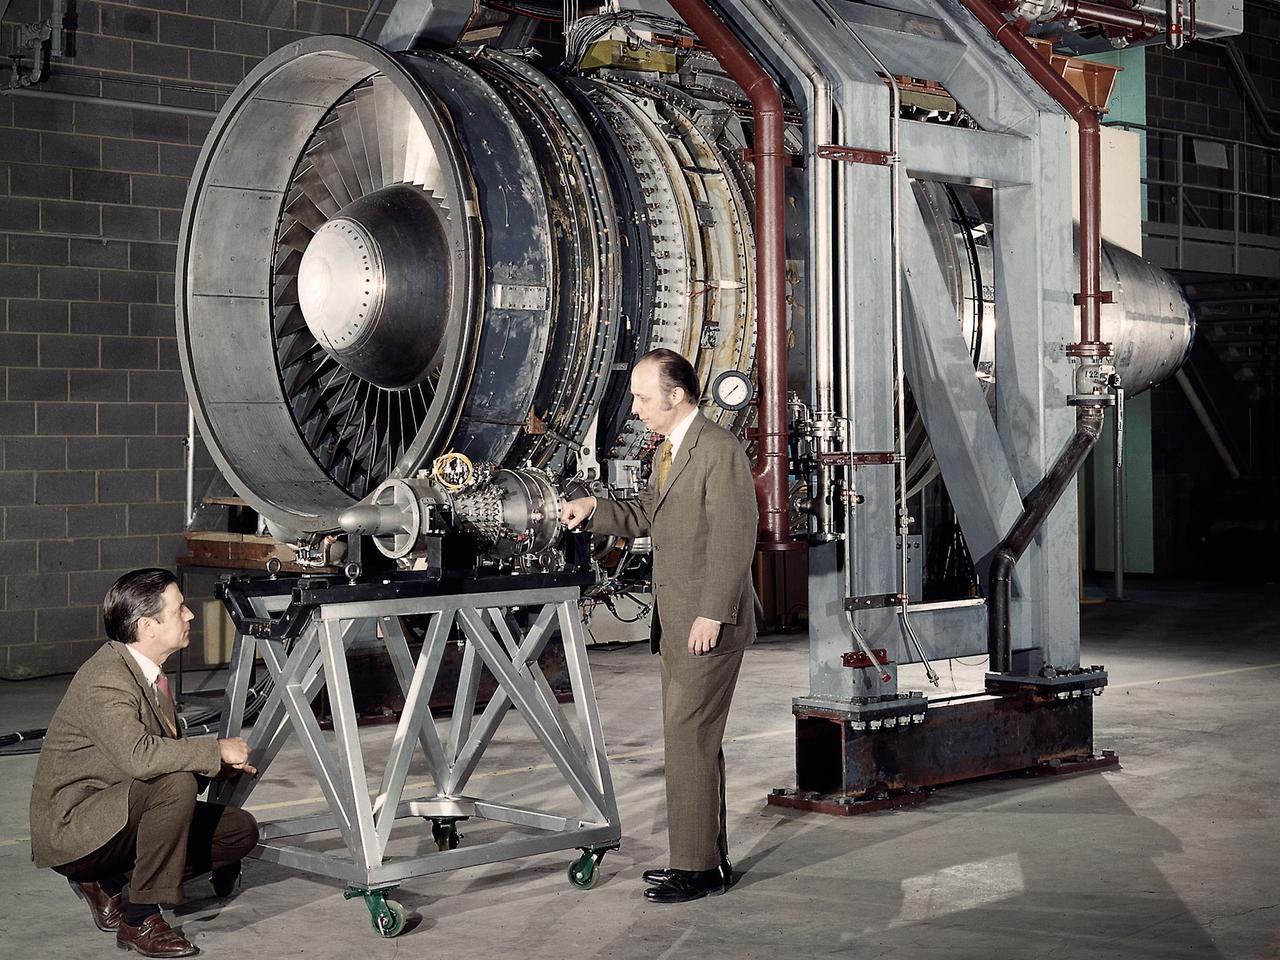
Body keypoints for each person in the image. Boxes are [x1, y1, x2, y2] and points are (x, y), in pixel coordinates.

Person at [562, 348, 758, 904]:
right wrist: (593, 510)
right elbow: (648, 514)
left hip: (705, 622)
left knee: (688, 737)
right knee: (693, 740)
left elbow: (735, 537)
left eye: (644, 398)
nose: (636, 408)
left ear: (676, 394)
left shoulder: (718, 450)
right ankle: (707, 859)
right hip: (676, 621)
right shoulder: (668, 452)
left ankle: (695, 869)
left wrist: (712, 613)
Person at [29, 568, 259, 958]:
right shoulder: (106, 679)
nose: (190, 615)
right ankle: (139, 919)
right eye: (179, 609)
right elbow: (141, 756)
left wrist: (216, 767)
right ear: (147, 626)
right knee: (175, 784)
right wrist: (214, 750)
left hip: (122, 811)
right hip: (75, 827)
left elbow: (161, 757)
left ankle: (110, 881)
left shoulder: (149, 674)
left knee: (238, 832)